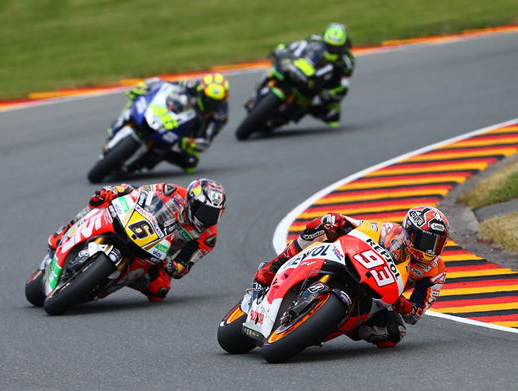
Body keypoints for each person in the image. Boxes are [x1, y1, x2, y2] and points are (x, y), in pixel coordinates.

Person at [254, 205, 449, 347]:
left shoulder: (435, 270)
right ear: (411, 233)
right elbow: (359, 226)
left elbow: (414, 315)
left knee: (393, 334)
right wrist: (338, 221)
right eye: (427, 241)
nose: (430, 249)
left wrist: (400, 304)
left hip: (378, 295)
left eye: (437, 244)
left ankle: (329, 324)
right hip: (352, 264)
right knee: (323, 226)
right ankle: (274, 266)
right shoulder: (389, 231)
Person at [47, 178, 226, 301]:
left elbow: (185, 264)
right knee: (100, 199)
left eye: (213, 213)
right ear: (191, 201)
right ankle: (65, 231)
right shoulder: (171, 191)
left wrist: (176, 267)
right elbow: (139, 192)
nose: (207, 217)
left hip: (159, 254)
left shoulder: (208, 237)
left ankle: (101, 285)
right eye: (204, 210)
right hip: (139, 225)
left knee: (159, 291)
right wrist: (117, 191)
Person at [109, 73, 230, 174]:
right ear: (201, 91)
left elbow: (207, 140)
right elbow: (164, 86)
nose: (212, 104)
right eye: (209, 99)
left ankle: (150, 159)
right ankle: (122, 120)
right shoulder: (192, 85)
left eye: (216, 102)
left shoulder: (220, 116)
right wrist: (145, 88)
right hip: (173, 114)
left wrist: (190, 143)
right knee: (137, 97)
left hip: (186, 134)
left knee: (191, 163)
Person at [270, 22, 355, 127]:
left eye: (336, 48)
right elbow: (298, 46)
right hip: (302, 67)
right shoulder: (314, 39)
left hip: (322, 84)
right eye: (329, 46)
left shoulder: (347, 60)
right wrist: (284, 49)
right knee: (277, 62)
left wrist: (333, 93)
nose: (332, 49)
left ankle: (303, 110)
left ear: (344, 45)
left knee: (333, 116)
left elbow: (344, 82)